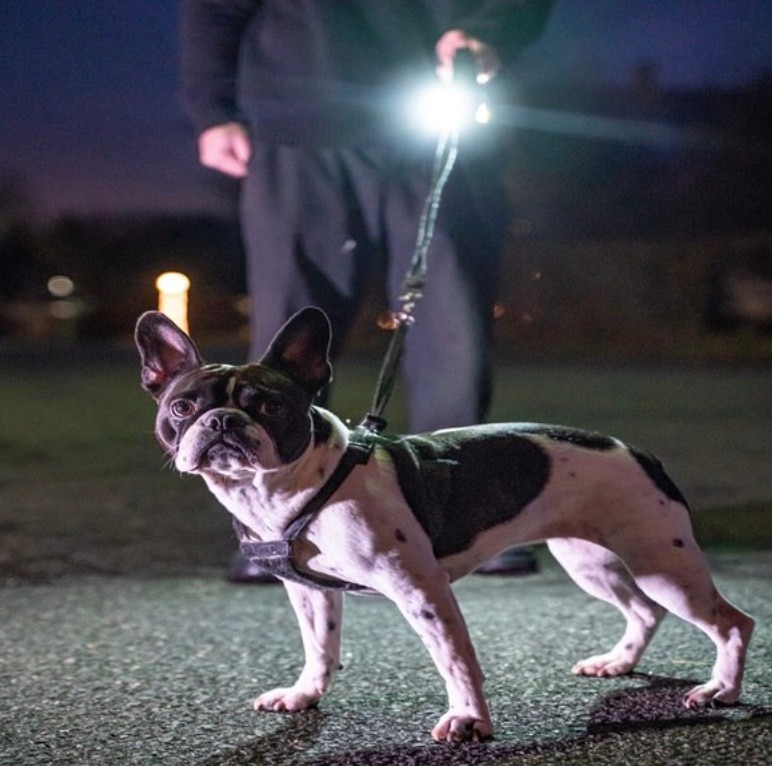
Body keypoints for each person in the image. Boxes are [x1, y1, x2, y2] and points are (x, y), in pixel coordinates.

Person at [180, 1, 554, 580]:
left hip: (438, 112)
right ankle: (276, 527)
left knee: (452, 321)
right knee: (289, 330)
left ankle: (464, 519)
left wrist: (487, 32)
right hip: (296, 116)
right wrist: (212, 110)